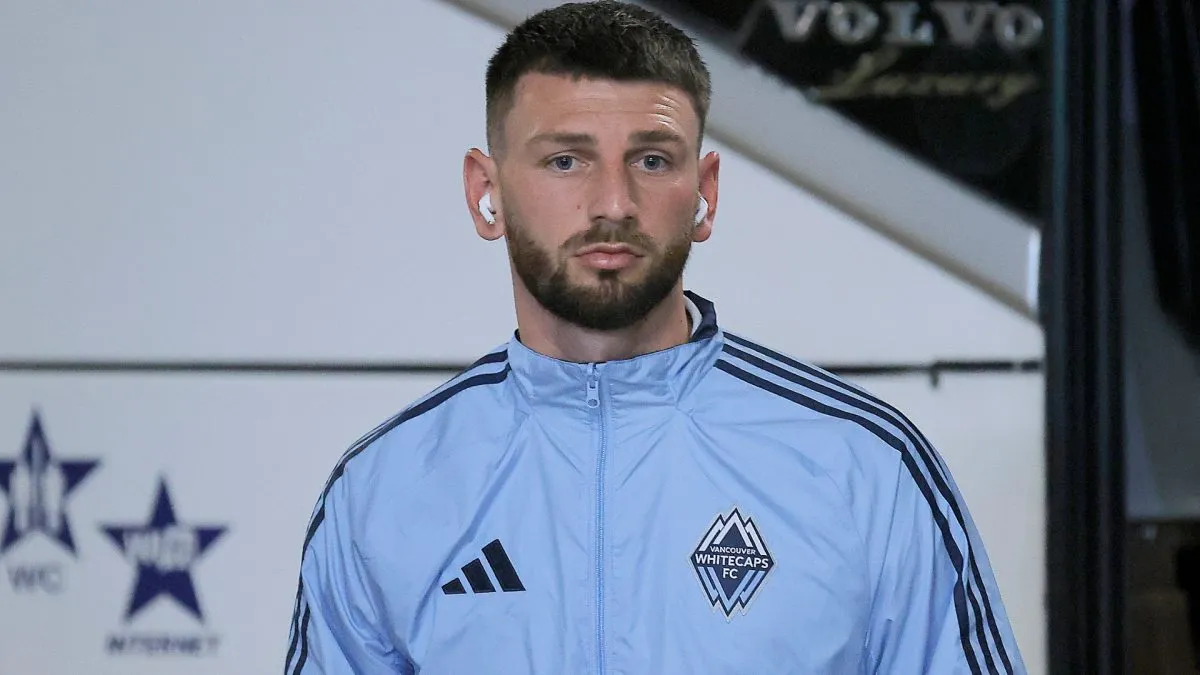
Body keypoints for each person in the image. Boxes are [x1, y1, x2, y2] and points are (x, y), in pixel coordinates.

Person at [283, 2, 1028, 673]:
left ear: (704, 194)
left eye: (651, 159)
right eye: (565, 159)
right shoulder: (384, 490)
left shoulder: (865, 465)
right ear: (487, 192)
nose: (613, 202)